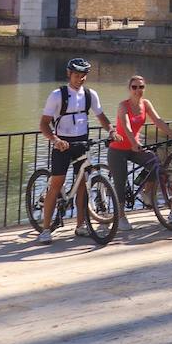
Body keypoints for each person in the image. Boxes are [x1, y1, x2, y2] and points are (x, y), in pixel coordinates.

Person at [36, 58, 118, 244]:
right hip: (62, 144)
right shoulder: (57, 95)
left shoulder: (90, 95)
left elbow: (101, 117)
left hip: (81, 143)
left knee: (83, 185)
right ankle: (45, 229)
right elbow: (43, 123)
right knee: (57, 183)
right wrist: (55, 140)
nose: (79, 79)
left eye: (83, 76)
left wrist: (112, 130)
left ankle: (81, 226)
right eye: (76, 75)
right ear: (69, 74)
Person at [109, 74, 172, 231]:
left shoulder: (145, 104)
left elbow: (158, 121)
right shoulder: (123, 106)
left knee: (153, 161)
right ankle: (121, 216)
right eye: (134, 87)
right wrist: (134, 142)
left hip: (135, 147)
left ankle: (146, 193)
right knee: (120, 182)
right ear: (129, 89)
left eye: (141, 87)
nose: (138, 90)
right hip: (118, 149)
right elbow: (126, 126)